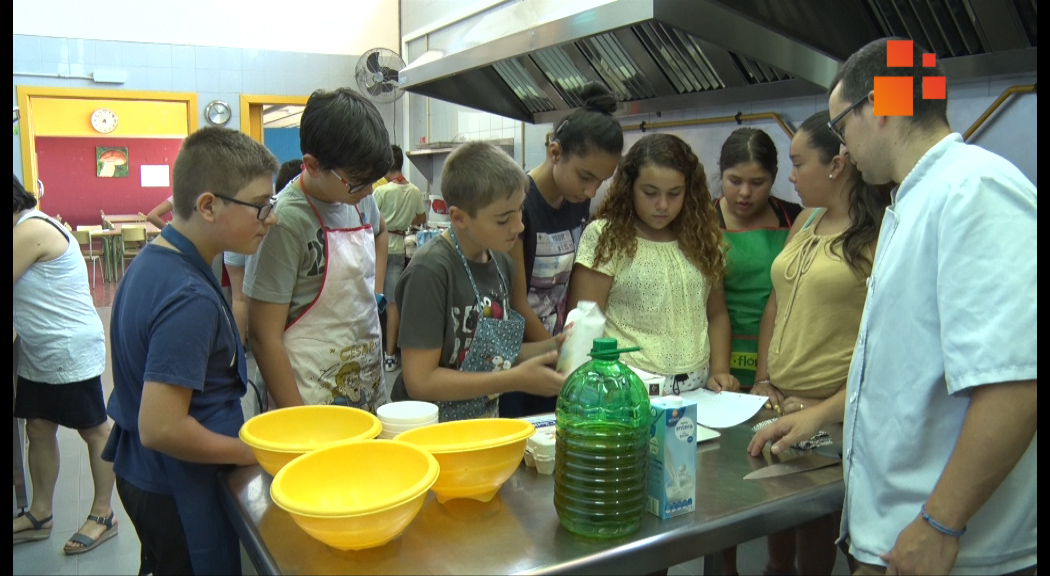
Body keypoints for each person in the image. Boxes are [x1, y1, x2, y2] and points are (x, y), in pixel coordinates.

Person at [750, 38, 1037, 576]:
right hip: (897, 536)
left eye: (840, 127)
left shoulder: (974, 191)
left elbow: (1015, 385)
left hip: (948, 549)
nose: (843, 149)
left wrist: (940, 524)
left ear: (879, 107)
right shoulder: (911, 200)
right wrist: (819, 414)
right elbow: (902, 366)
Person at [102, 127, 278, 575]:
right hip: (175, 481)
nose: (271, 218)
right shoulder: (189, 298)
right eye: (261, 206)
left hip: (149, 475)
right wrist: (251, 452)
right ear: (208, 205)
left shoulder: (155, 259)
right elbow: (161, 427)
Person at [747, 111, 891, 576]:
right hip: (781, 404)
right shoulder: (805, 221)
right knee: (779, 532)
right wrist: (764, 379)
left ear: (837, 164)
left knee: (826, 531)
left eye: (798, 162)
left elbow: (885, 339)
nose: (789, 176)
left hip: (834, 413)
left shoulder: (879, 233)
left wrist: (822, 407)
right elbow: (776, 301)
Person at [393, 141, 565, 422]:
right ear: (459, 218)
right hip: (430, 431)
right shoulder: (431, 271)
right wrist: (513, 380)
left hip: (482, 424)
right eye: (502, 220)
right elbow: (421, 381)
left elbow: (493, 353)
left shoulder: (501, 263)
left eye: (520, 210)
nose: (519, 226)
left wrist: (554, 346)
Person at [245, 88, 391, 412]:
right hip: (307, 394)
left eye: (373, 182)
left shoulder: (360, 198)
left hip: (365, 377)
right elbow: (263, 336)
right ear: (311, 165)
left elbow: (380, 232)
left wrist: (376, 289)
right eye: (357, 183)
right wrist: (299, 420)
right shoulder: (284, 222)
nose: (368, 192)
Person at [567, 133, 739, 396]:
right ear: (629, 188)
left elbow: (716, 314)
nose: (662, 205)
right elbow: (583, 326)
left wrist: (719, 371)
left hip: (698, 389)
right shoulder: (605, 236)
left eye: (674, 194)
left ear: (688, 190)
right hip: (626, 389)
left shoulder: (702, 237)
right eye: (650, 193)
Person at [500, 81, 624, 418]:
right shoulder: (521, 205)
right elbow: (517, 302)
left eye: (601, 180)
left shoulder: (575, 202)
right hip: (525, 360)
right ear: (555, 153)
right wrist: (562, 355)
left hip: (558, 352)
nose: (590, 190)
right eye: (585, 176)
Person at [12, 175, 118, 555]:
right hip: (39, 348)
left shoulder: (31, 230)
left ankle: (104, 514)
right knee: (39, 427)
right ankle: (40, 514)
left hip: (67, 347)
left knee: (93, 429)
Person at [715, 127, 801, 391]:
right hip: (717, 364)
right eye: (735, 180)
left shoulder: (795, 218)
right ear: (721, 175)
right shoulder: (701, 221)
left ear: (773, 178)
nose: (744, 192)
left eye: (757, 183)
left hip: (781, 362)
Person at [373, 144, 426, 373]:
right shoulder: (414, 190)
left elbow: (368, 220)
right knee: (394, 304)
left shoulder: (381, 192)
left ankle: (388, 355)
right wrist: (404, 219)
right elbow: (421, 218)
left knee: (384, 304)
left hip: (379, 249)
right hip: (401, 248)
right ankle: (390, 353)